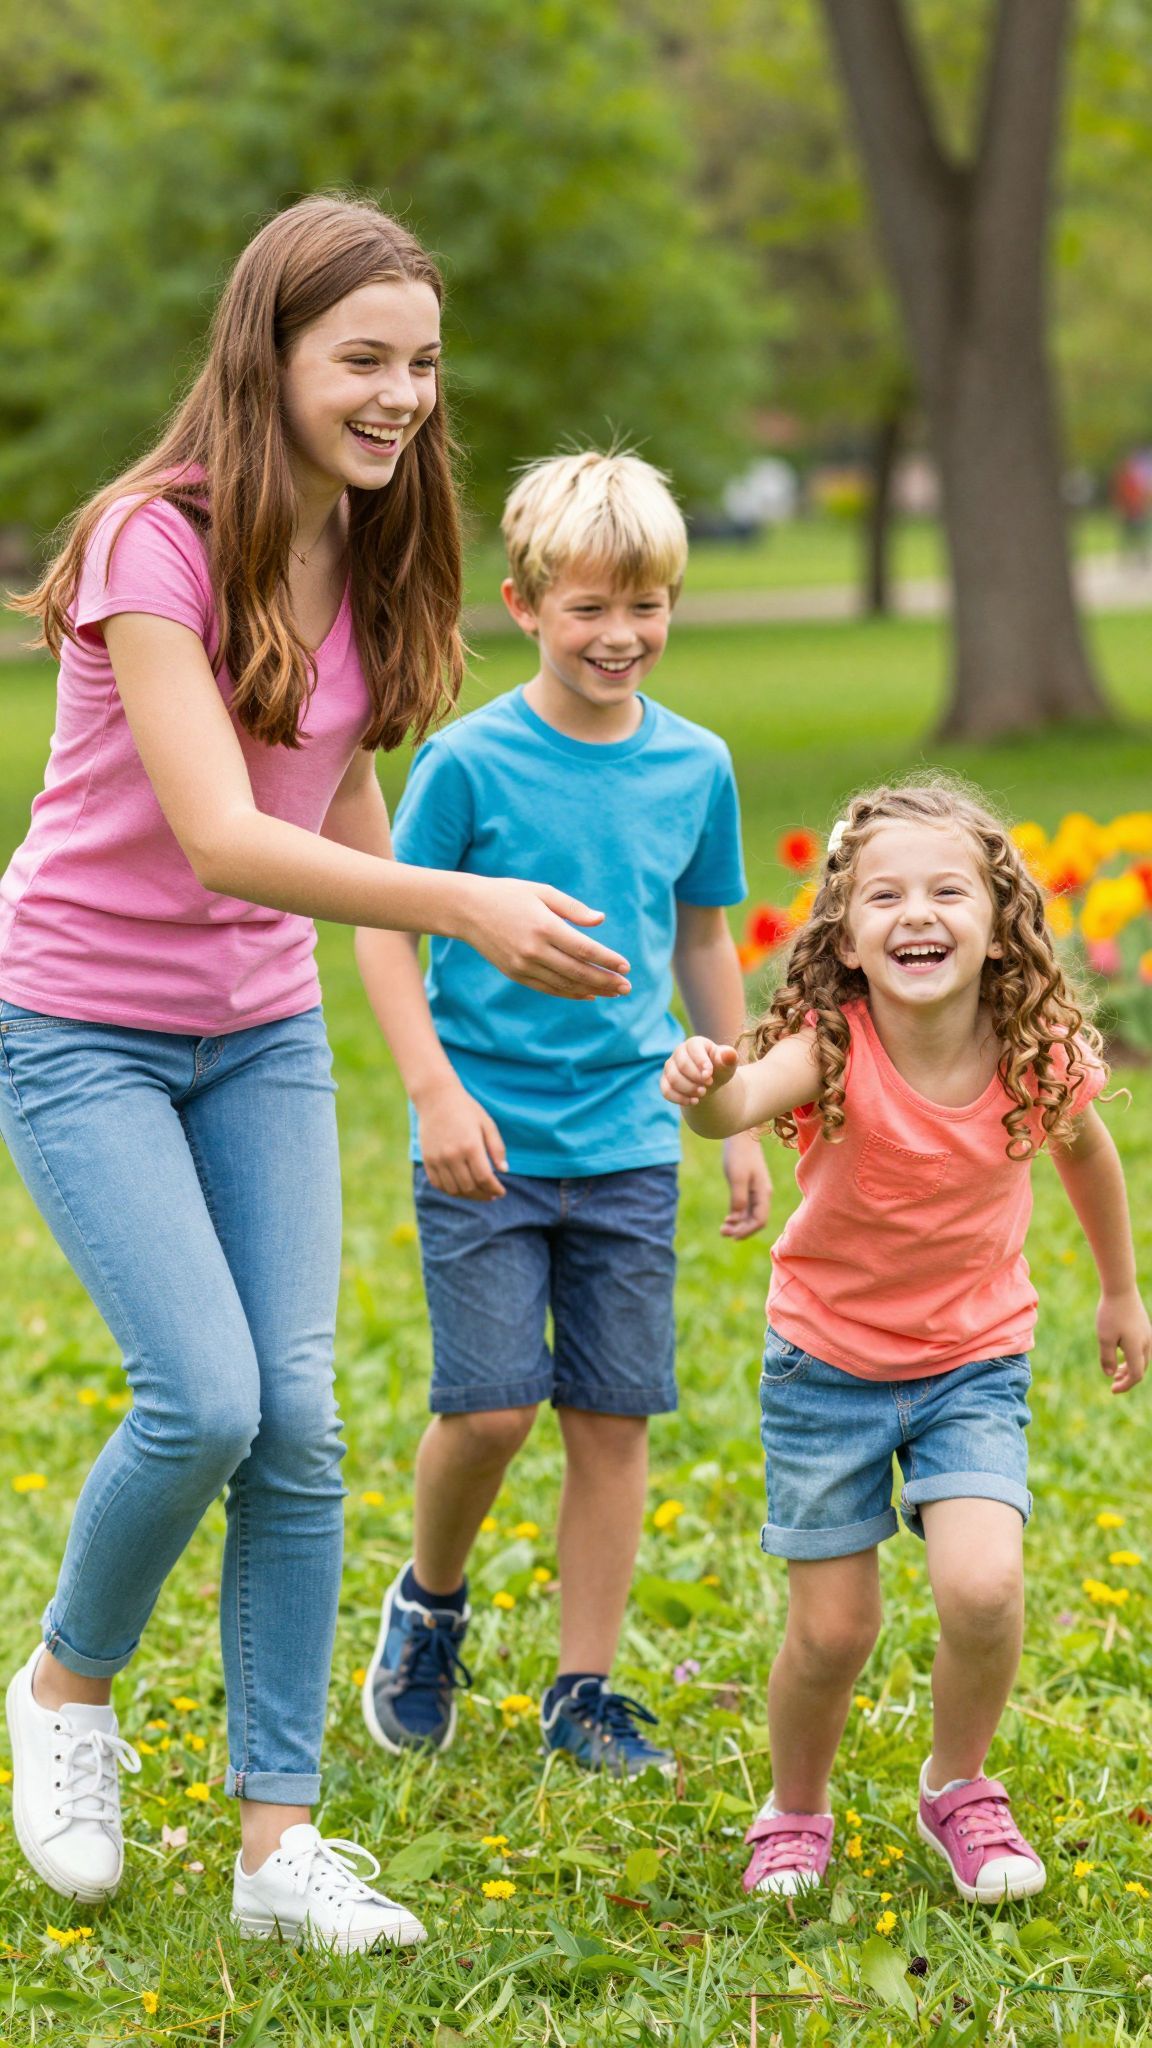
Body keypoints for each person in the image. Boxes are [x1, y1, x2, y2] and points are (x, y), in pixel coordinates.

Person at [0, 196, 633, 1953]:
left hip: (258, 1032)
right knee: (200, 1395)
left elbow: (326, 774)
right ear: (266, 352)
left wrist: (431, 1023)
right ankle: (61, 1688)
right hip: (82, 1023)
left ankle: (280, 1841)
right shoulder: (153, 541)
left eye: (422, 364)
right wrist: (465, 899)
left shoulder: (364, 543)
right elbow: (218, 831)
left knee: (298, 1421)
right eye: (363, 360)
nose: (401, 397)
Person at [357, 449, 770, 1777]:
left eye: (645, 605)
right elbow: (381, 933)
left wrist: (744, 1105)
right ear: (523, 605)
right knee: (488, 1410)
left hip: (633, 1141)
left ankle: (582, 1689)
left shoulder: (695, 764)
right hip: (487, 1138)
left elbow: (703, 940)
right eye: (588, 607)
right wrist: (434, 1093)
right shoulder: (469, 765)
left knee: (612, 1417)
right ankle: (428, 1605)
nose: (621, 634)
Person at [661, 780, 1149, 1904]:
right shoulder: (831, 1046)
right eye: (883, 893)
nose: (915, 913)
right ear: (845, 929)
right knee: (834, 1632)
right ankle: (793, 1807)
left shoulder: (1032, 1050)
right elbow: (737, 1110)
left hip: (973, 1361)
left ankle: (957, 1784)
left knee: (982, 1588)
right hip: (825, 1366)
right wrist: (707, 1085)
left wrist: (1119, 1290)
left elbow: (1088, 1155)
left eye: (945, 890)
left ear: (999, 919)